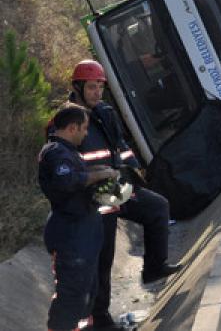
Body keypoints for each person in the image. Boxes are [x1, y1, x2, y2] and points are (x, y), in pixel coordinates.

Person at [69, 60, 181, 330]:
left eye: (100, 87)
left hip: (114, 188)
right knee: (102, 259)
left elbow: (120, 147)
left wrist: (134, 174)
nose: (97, 92)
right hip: (91, 197)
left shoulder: (105, 112)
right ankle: (100, 321)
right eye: (92, 87)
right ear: (78, 87)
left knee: (157, 207)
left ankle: (154, 267)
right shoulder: (66, 121)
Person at [39, 103, 119, 331]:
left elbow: (79, 175)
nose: (86, 134)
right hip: (69, 235)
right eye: (84, 129)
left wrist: (102, 174)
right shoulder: (55, 152)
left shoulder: (67, 151)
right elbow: (68, 181)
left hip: (83, 233)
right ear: (72, 128)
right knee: (72, 296)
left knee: (87, 292)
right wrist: (102, 173)